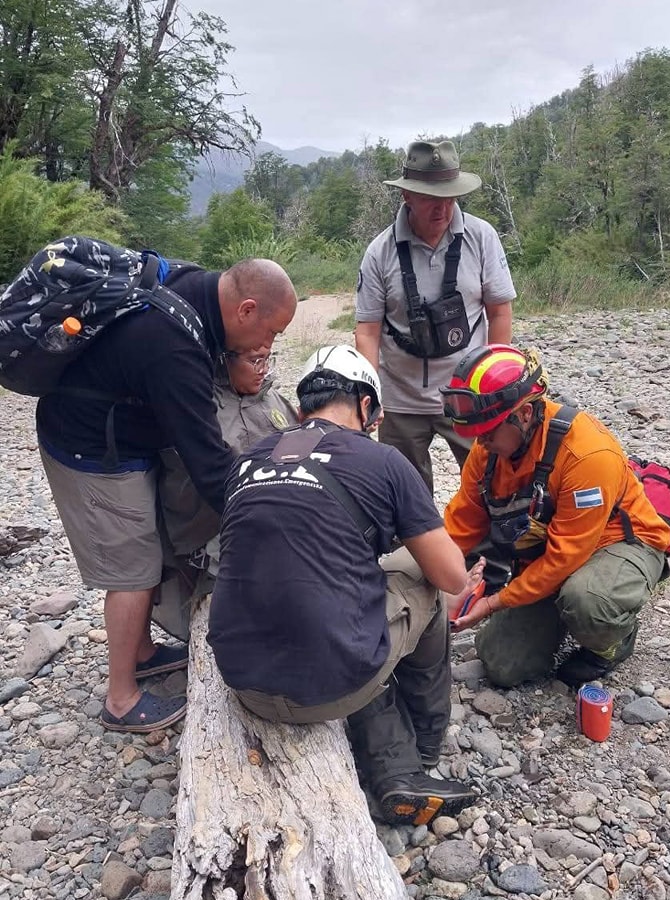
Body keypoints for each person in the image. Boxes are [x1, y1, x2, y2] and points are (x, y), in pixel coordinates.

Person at [207, 345, 479, 826]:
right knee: (424, 586)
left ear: (301, 405)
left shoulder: (249, 458)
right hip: (326, 687)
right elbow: (451, 577)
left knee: (330, 591)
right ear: (366, 406)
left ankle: (394, 761)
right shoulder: (385, 461)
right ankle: (427, 744)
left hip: (241, 678)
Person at [36, 258, 298, 733]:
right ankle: (121, 698)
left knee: (149, 547)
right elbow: (210, 468)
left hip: (124, 431)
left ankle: (142, 652)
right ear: (245, 308)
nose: (268, 345)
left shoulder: (196, 287)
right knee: (132, 568)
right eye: (271, 332)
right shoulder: (174, 348)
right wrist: (268, 526)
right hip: (91, 447)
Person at [441, 344, 670, 688]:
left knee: (587, 602)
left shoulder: (587, 454)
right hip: (551, 550)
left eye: (487, 431)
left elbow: (566, 557)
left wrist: (491, 603)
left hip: (616, 543)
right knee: (504, 665)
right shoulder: (487, 451)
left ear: (523, 414)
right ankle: (567, 611)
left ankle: (611, 642)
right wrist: (436, 572)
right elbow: (461, 524)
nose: (480, 441)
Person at [354, 139, 515, 494]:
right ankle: (414, 551)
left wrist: (496, 382)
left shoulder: (482, 237)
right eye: (430, 197)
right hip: (401, 398)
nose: (442, 208)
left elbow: (499, 311)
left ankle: (483, 549)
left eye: (450, 196)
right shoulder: (380, 252)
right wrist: (370, 391)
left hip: (469, 394)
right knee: (404, 497)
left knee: (492, 485)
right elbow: (367, 330)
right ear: (406, 196)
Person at [152, 344, 300, 640]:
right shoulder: (202, 410)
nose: (263, 368)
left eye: (267, 359)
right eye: (254, 359)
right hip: (215, 528)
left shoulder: (275, 402)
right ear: (224, 359)